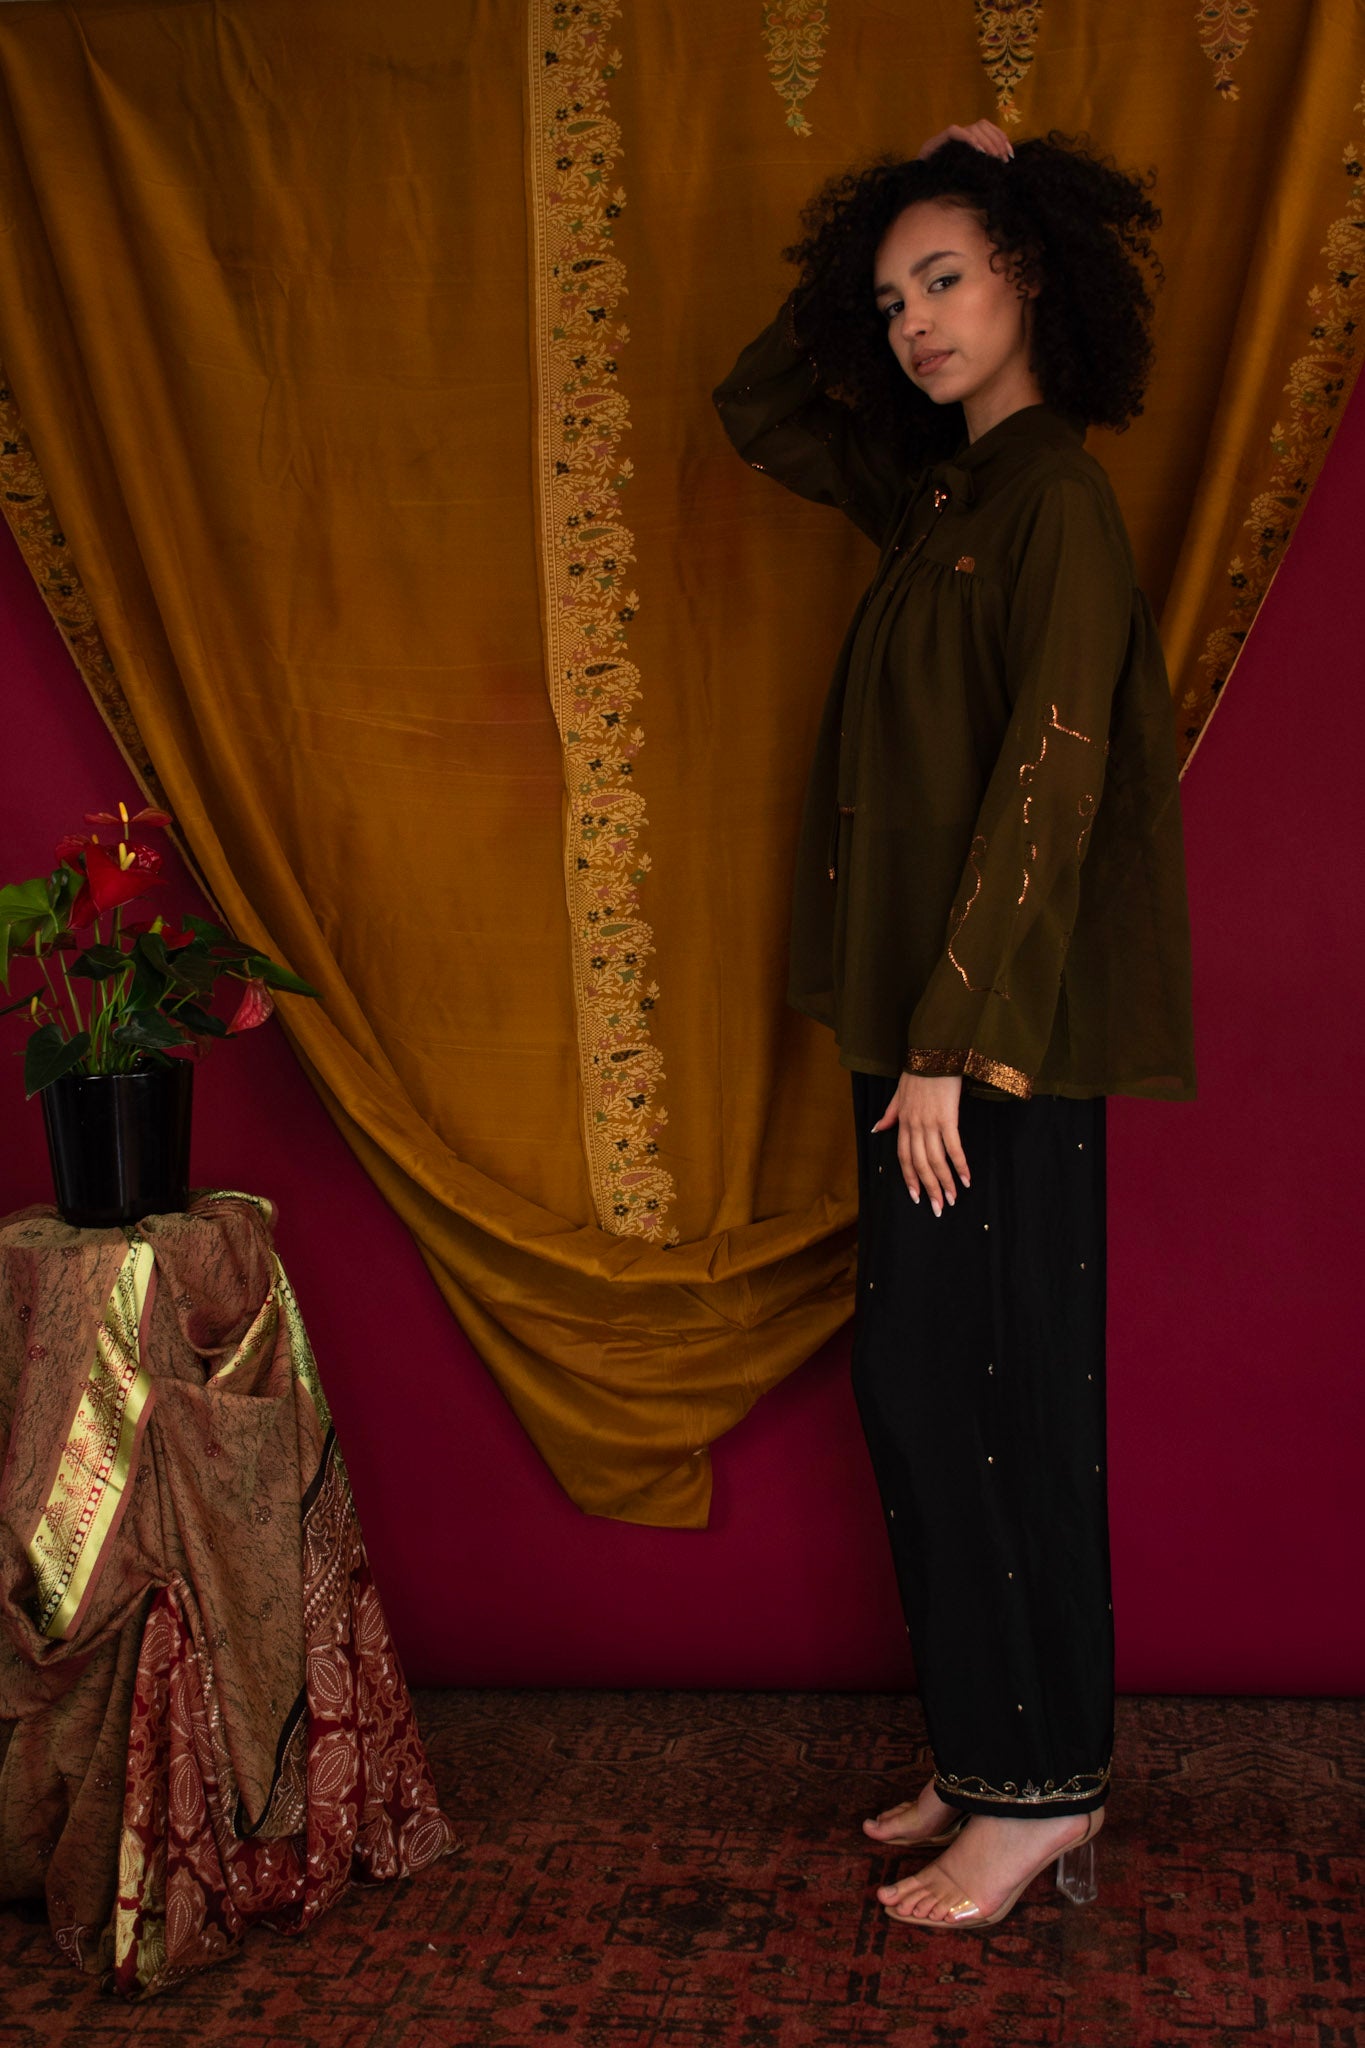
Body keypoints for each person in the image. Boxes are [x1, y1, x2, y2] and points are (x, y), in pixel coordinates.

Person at [714, 118, 1195, 1930]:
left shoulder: (1054, 502)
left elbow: (1047, 788)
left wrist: (944, 1051)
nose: (912, 320)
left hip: (990, 1046)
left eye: (945, 277)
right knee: (921, 1386)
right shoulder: (939, 494)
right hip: (916, 1031)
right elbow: (758, 407)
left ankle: (1039, 1789)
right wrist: (913, 183)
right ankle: (985, 1746)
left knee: (986, 1391)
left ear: (1030, 279)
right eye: (889, 294)